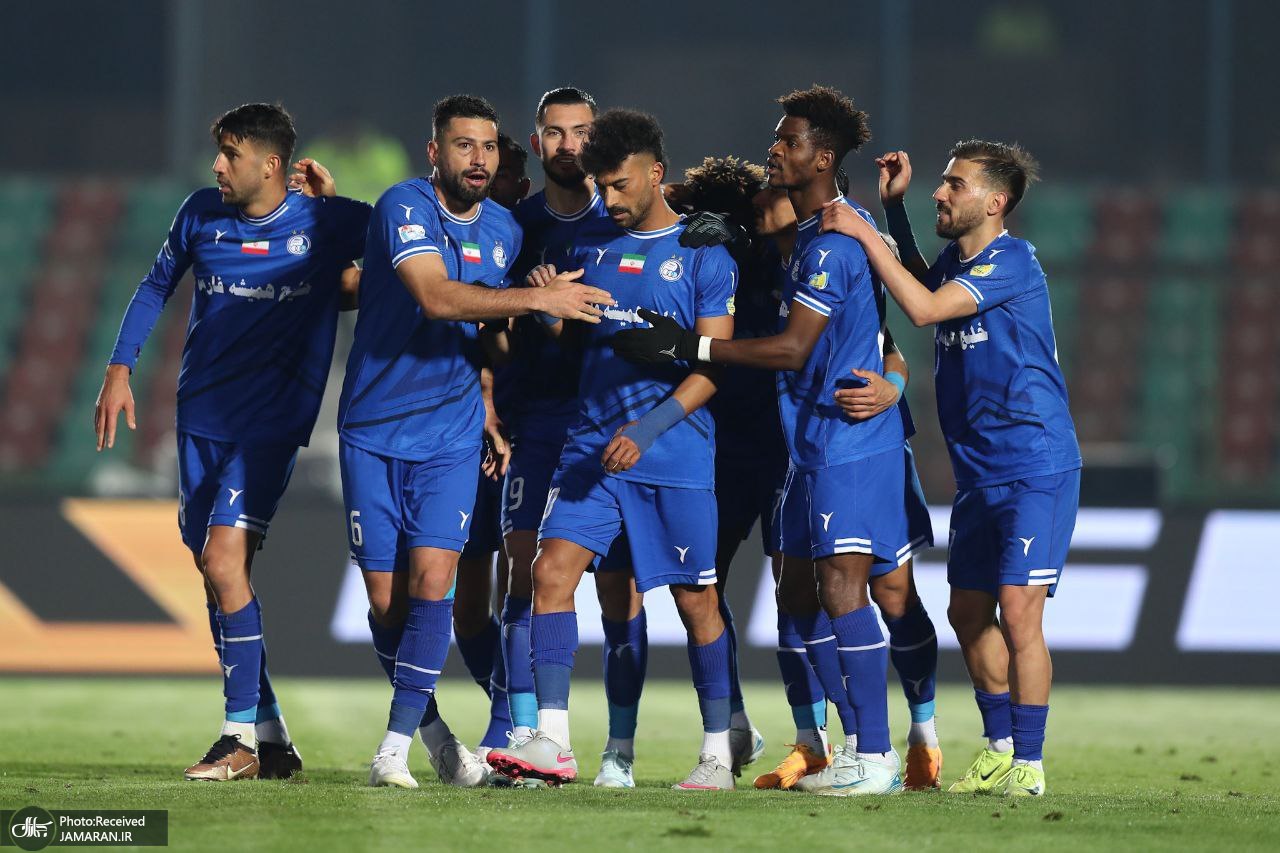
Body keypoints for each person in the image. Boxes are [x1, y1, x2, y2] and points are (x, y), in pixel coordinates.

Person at [611, 86, 912, 796]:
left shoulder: (831, 245)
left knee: (848, 589)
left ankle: (877, 753)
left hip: (845, 438)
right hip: (809, 443)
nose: (774, 149)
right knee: (813, 594)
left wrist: (691, 347)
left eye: (789, 140)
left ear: (823, 158)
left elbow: (792, 349)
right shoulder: (813, 236)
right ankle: (846, 748)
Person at [336, 93, 611, 790]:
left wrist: (531, 328)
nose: (479, 158)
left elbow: (494, 339)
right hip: (374, 426)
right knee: (385, 603)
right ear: (436, 152)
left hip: (452, 433)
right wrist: (535, 299)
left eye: (488, 146)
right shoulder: (404, 205)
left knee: (437, 582)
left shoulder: (505, 232)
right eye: (464, 145)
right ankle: (436, 737)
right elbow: (435, 297)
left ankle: (393, 749)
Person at [95, 102, 371, 782]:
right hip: (201, 416)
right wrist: (119, 369)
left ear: (271, 165)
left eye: (231, 154)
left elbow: (404, 263)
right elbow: (155, 285)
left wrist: (334, 225)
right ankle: (272, 736)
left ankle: (237, 738)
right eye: (218, 152)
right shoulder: (199, 213)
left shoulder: (329, 220)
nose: (217, 165)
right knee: (216, 571)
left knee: (223, 561)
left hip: (270, 423)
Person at [486, 108, 740, 791]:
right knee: (548, 574)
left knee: (696, 603)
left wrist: (647, 430)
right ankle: (553, 741)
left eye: (621, 184)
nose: (610, 197)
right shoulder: (592, 246)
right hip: (590, 450)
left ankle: (717, 752)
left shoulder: (703, 254)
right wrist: (551, 308)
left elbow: (713, 367)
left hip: (672, 453)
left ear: (656, 174)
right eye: (602, 185)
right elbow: (579, 344)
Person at [820, 141, 1080, 797]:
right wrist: (893, 211)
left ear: (995, 202)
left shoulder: (1013, 260)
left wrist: (864, 232)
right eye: (942, 182)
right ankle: (998, 748)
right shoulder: (958, 264)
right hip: (979, 472)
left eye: (954, 184)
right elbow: (924, 282)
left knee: (1018, 613)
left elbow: (924, 308)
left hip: (1034, 464)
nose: (940, 191)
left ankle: (1030, 763)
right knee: (967, 611)